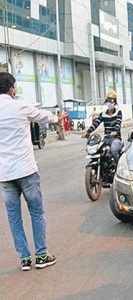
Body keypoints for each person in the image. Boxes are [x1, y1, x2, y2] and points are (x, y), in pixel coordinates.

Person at [0, 72, 57, 271]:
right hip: (26, 171)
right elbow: (45, 116)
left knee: (14, 217)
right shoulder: (20, 105)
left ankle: (24, 259)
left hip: (5, 175)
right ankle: (41, 255)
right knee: (36, 212)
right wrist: (57, 117)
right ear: (11, 88)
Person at [83, 90, 123, 162]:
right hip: (106, 139)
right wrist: (88, 132)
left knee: (114, 149)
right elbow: (96, 123)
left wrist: (115, 131)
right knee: (98, 150)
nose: (110, 103)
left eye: (111, 101)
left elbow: (118, 124)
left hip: (116, 139)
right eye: (108, 101)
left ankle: (118, 167)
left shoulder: (118, 112)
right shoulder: (103, 114)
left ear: (114, 102)